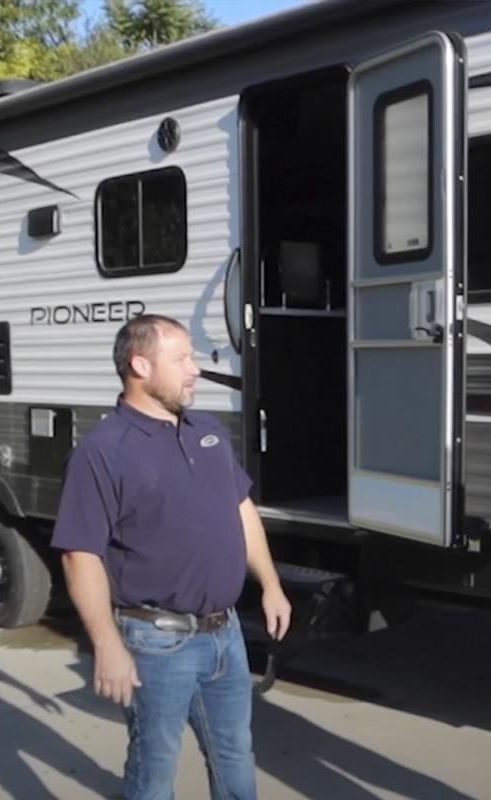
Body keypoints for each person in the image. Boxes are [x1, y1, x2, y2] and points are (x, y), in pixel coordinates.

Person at [51, 313, 292, 800]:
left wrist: (270, 584)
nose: (195, 369)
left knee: (235, 753)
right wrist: (107, 645)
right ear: (140, 366)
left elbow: (241, 508)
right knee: (155, 768)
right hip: (157, 643)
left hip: (225, 633)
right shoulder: (103, 451)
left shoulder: (207, 431)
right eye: (181, 359)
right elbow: (80, 555)